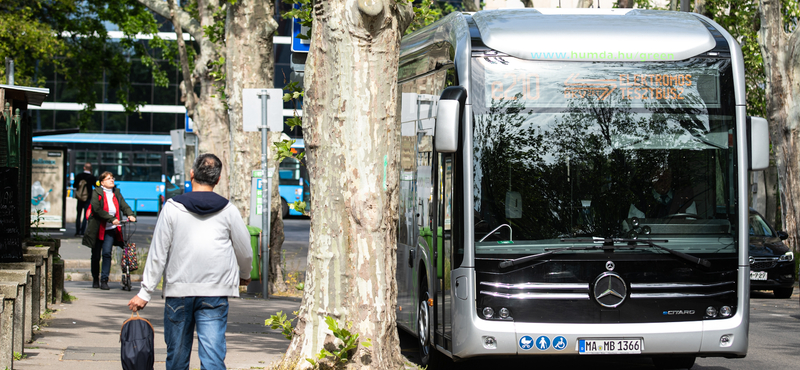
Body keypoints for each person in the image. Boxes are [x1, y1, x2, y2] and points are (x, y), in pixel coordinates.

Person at [127, 153, 252, 370]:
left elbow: (158, 253)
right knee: (213, 356)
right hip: (215, 292)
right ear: (218, 179)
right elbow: (245, 250)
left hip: (179, 291)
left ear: (192, 174)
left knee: (177, 355)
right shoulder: (228, 210)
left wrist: (145, 292)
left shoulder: (173, 207)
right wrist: (245, 275)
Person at [82, 172, 136, 289]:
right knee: (96, 256)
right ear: (102, 182)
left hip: (110, 229)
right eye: (108, 179)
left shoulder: (116, 193)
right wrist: (111, 219)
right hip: (97, 228)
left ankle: (104, 280)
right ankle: (95, 278)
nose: (112, 180)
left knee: (107, 253)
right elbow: (96, 209)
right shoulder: (97, 192)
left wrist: (130, 214)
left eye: (112, 178)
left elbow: (124, 206)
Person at [628, 167, 696, 219]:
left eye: (667, 179)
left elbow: (692, 227)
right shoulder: (640, 202)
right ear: (653, 180)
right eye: (660, 180)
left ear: (671, 179)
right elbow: (636, 229)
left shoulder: (685, 199)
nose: (664, 183)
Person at [73, 163, 96, 236]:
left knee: (78, 215)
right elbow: (96, 186)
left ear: (84, 168)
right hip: (88, 198)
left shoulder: (79, 176)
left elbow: (74, 185)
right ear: (90, 168)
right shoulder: (92, 177)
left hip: (79, 198)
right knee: (86, 216)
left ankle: (77, 231)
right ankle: (83, 232)